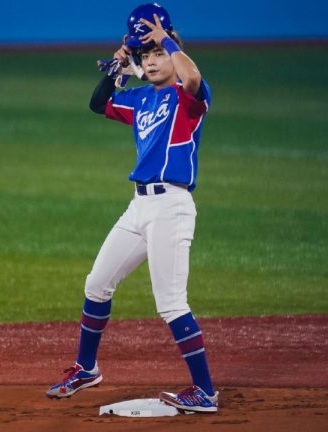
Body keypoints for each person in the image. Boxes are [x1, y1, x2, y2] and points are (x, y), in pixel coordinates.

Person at [45, 3, 218, 413]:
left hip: (172, 207)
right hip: (138, 208)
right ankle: (87, 368)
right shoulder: (140, 98)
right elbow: (98, 102)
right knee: (96, 284)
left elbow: (191, 75)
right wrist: (121, 60)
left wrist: (164, 39)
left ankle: (206, 392)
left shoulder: (189, 99)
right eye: (147, 57)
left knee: (172, 304)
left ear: (172, 52)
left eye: (159, 55)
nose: (154, 61)